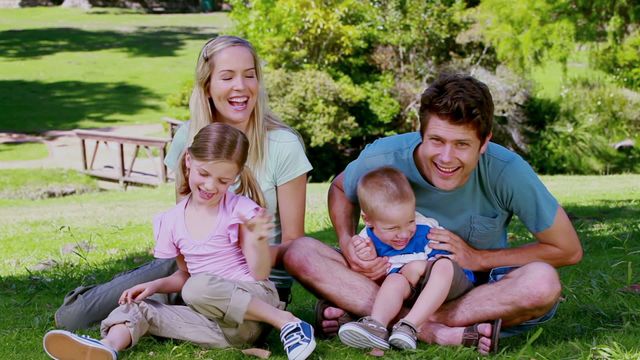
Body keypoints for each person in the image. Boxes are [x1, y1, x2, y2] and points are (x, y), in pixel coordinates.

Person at [284, 73, 582, 353]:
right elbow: (339, 189)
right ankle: (435, 332)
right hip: (385, 278)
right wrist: (348, 243)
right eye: (437, 140)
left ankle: (375, 319)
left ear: (484, 142)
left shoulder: (507, 171)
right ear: (421, 133)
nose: (446, 157)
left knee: (542, 283)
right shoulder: (384, 156)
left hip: (469, 292)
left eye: (462, 144)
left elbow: (567, 249)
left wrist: (480, 258)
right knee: (300, 252)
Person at [55, 35, 313, 330]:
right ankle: (108, 301)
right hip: (193, 269)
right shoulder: (187, 138)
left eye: (249, 75)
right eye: (227, 77)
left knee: (195, 299)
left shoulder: (282, 144)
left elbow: (295, 244)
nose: (241, 86)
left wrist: (250, 247)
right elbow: (187, 228)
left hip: (254, 280)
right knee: (73, 317)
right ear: (207, 86)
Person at [43, 123, 316, 360]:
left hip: (255, 310)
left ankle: (288, 323)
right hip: (216, 327)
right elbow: (185, 275)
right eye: (204, 174)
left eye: (222, 180)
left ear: (235, 176)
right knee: (138, 306)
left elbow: (259, 274)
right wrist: (153, 285)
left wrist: (257, 239)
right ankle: (106, 348)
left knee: (198, 287)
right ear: (188, 161)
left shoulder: (240, 210)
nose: (211, 186)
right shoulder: (169, 221)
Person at [337, 167, 493, 352]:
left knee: (442, 265)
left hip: (448, 285)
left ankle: (410, 326)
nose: (404, 234)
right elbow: (372, 281)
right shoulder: (366, 241)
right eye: (392, 228)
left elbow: (450, 262)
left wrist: (420, 266)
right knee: (394, 280)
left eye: (409, 221)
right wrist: (370, 261)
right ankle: (376, 328)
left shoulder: (426, 229)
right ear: (368, 220)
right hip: (410, 292)